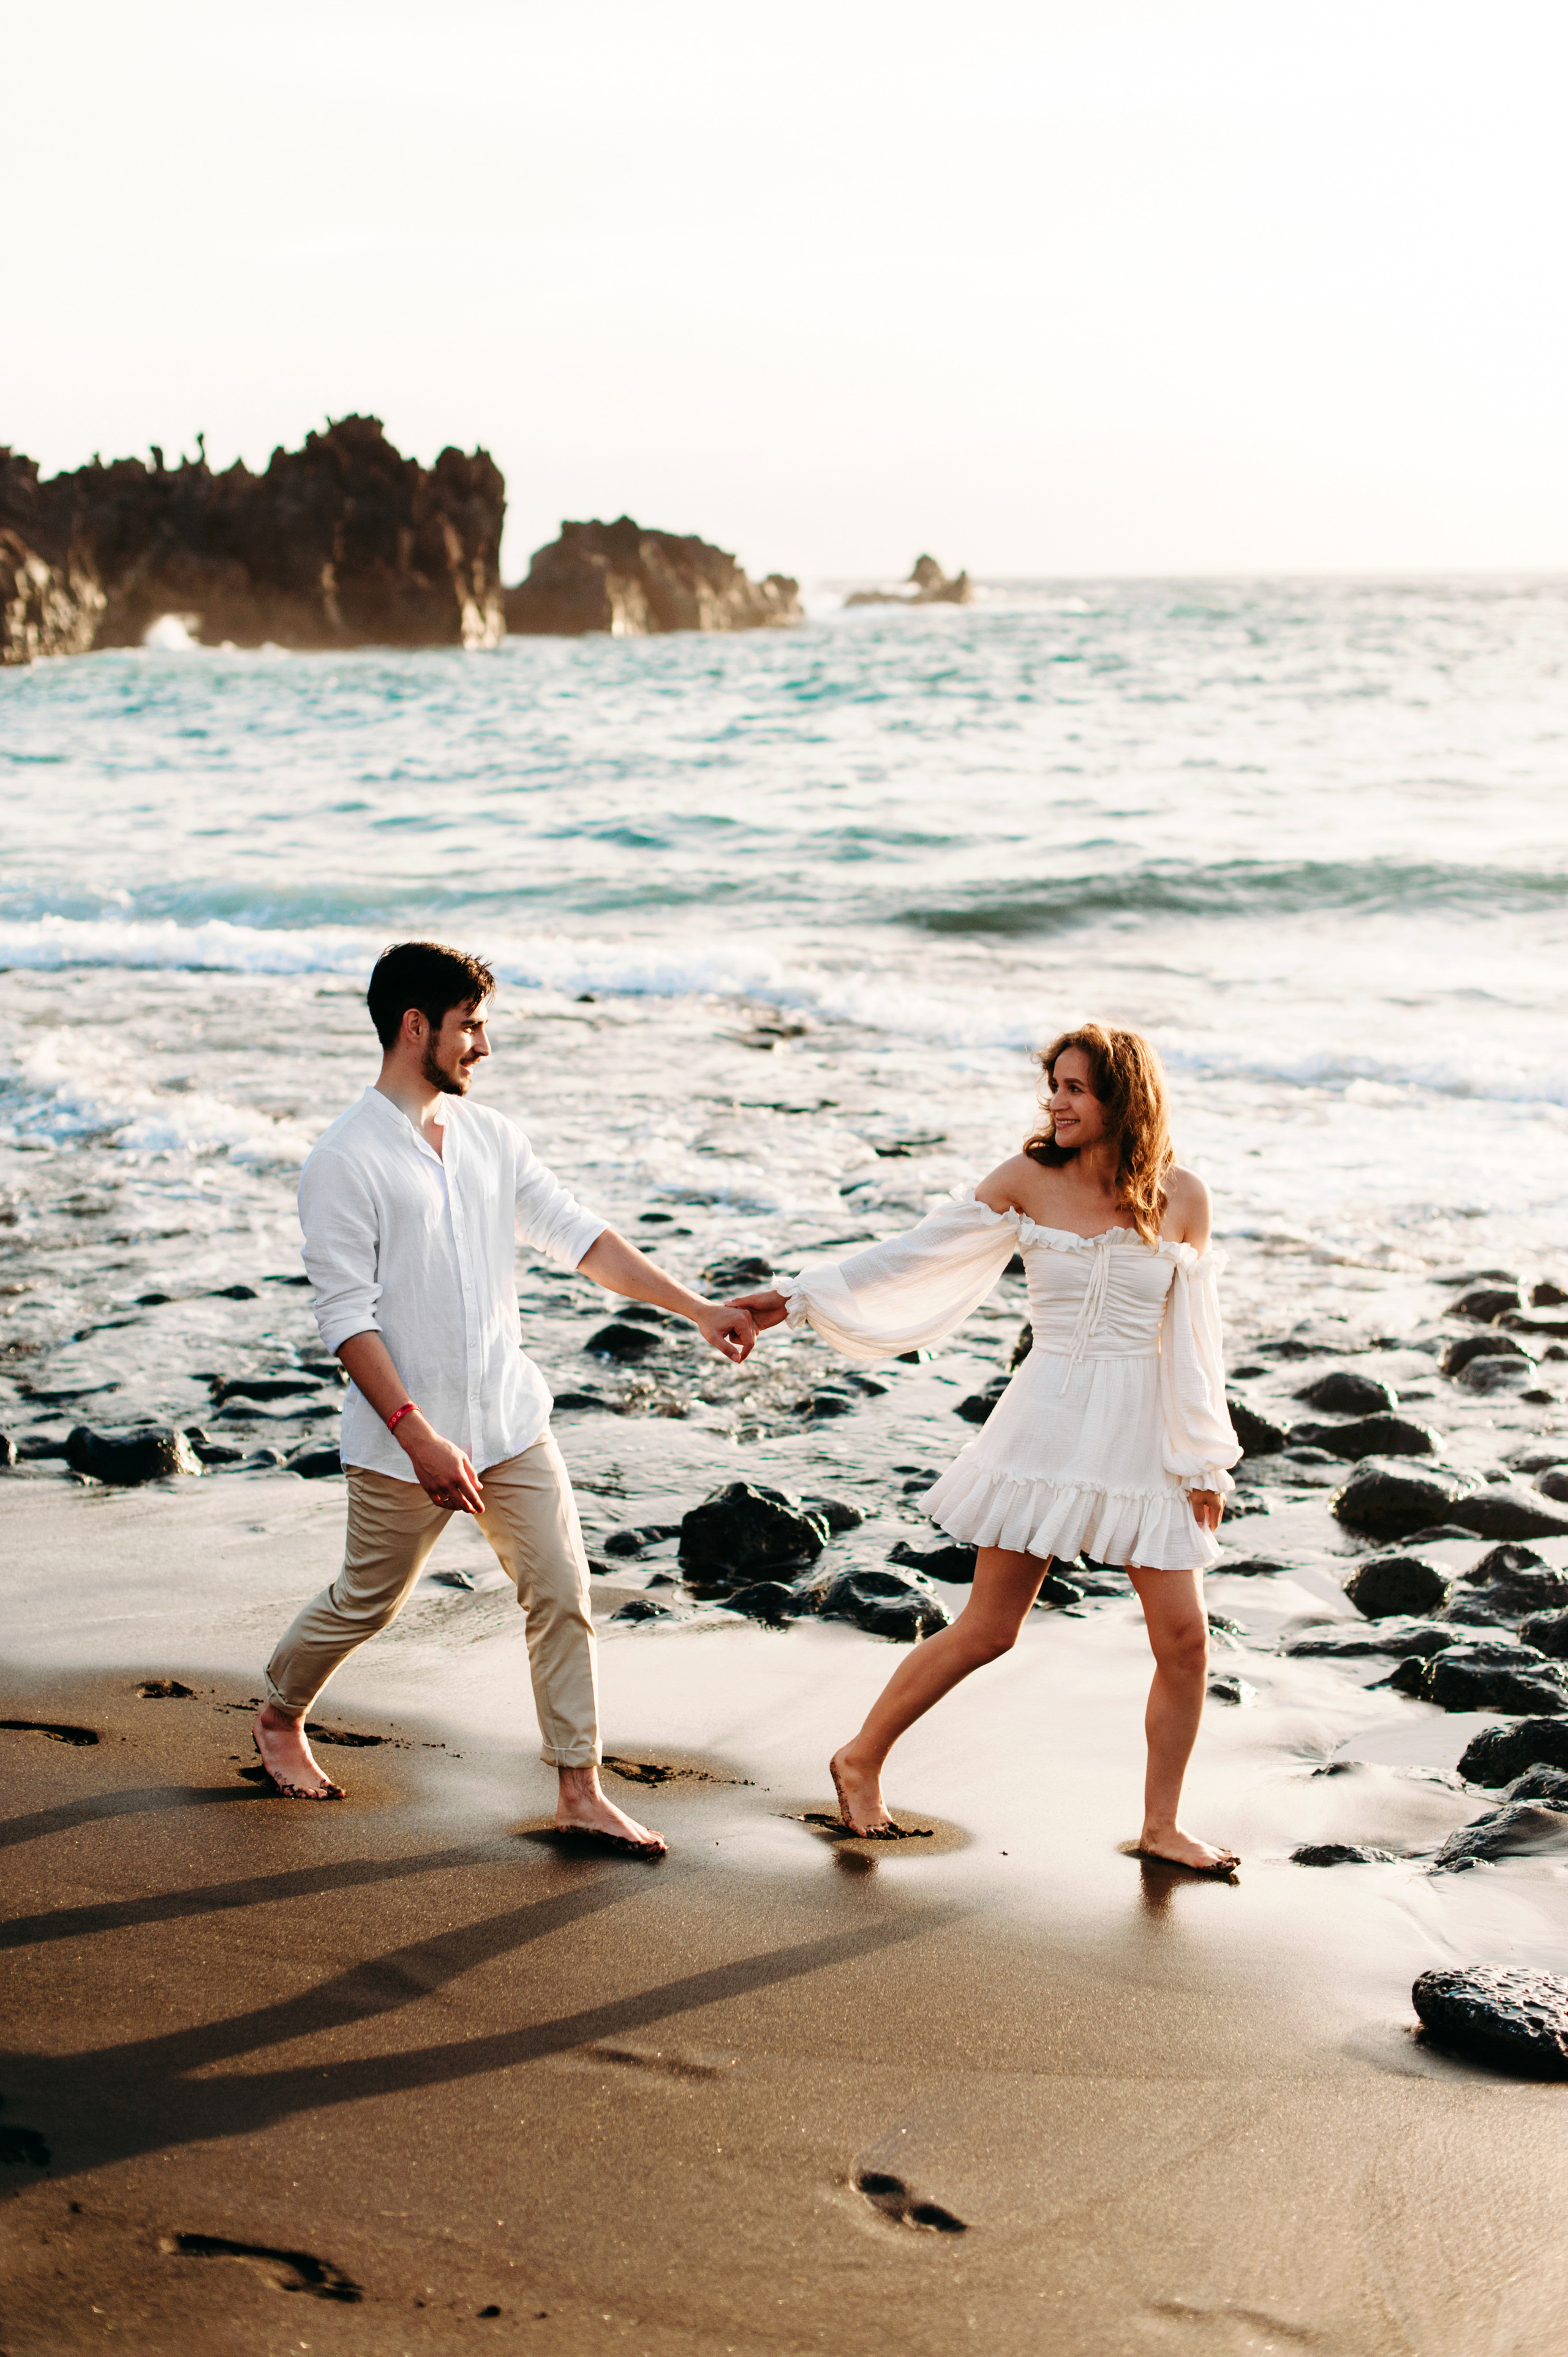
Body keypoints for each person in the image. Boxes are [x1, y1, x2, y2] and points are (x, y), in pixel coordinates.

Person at [251, 940, 757, 1853]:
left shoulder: (492, 1138)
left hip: (512, 1425)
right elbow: (346, 1321)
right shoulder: (345, 1160)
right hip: (408, 1437)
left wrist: (694, 1308)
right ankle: (280, 1715)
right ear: (418, 1027)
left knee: (562, 1592)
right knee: (368, 1601)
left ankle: (578, 1787)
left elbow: (580, 1237)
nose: (483, 1046)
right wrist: (416, 1436)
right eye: (471, 1027)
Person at [730, 1025, 1243, 1872]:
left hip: (1143, 1438)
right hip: (1046, 1422)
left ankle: (1162, 1826)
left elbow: (1196, 1341)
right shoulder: (1024, 1181)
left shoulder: (1182, 1195)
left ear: (1123, 1096)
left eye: (1075, 1088)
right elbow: (916, 1254)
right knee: (989, 1628)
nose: (1056, 1103)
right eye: (1054, 1086)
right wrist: (796, 1296)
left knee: (1186, 1641)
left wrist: (1203, 1461)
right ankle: (859, 1757)